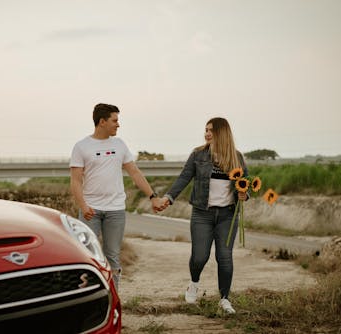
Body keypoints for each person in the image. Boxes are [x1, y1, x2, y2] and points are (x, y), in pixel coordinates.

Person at [159, 117, 248, 314]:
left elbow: (245, 182)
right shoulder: (198, 154)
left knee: (224, 257)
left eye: (211, 130)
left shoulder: (237, 158)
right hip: (202, 214)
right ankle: (194, 283)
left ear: (222, 133)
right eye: (206, 130)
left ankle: (224, 299)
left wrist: (245, 193)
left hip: (227, 215)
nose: (207, 133)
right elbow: (184, 177)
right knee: (200, 257)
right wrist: (169, 197)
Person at [70, 103, 164, 289]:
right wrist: (83, 205)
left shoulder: (119, 145)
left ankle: (113, 296)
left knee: (112, 255)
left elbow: (135, 172)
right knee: (88, 255)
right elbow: (75, 181)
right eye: (115, 120)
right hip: (91, 210)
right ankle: (89, 296)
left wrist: (153, 196)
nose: (118, 124)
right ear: (102, 121)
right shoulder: (82, 146)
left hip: (116, 210)